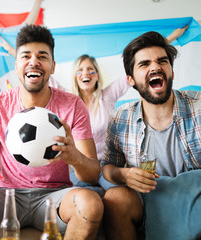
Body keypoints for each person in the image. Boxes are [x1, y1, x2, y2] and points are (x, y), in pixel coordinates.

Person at [0, 25, 104, 240]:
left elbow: (91, 175)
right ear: (16, 66)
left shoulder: (72, 105)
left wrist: (76, 158)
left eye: (42, 56)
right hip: (7, 197)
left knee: (91, 203)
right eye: (26, 56)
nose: (33, 62)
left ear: (52, 66)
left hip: (55, 196)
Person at [101, 30, 201, 239]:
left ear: (171, 70)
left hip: (196, 198)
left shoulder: (199, 106)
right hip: (148, 201)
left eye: (162, 61)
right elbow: (108, 168)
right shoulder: (120, 118)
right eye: (144, 64)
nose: (155, 67)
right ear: (130, 79)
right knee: (115, 197)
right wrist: (124, 175)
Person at [69, 26, 188, 187]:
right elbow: (47, 81)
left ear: (97, 75)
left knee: (117, 196)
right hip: (82, 167)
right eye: (80, 70)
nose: (85, 73)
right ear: (75, 77)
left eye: (90, 70)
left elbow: (141, 68)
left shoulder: (107, 95)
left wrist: (171, 38)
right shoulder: (69, 101)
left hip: (105, 166)